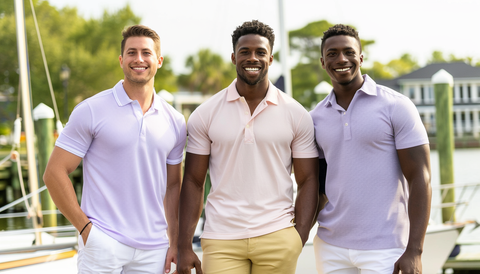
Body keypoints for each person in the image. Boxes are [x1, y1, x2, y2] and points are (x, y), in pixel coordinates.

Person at [177, 20, 319, 274]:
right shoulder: (205, 114)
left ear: (271, 58)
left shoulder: (296, 114)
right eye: (245, 52)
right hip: (222, 238)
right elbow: (193, 181)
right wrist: (184, 245)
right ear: (233, 57)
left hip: (278, 235)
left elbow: (308, 179)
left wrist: (299, 236)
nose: (252, 58)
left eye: (260, 52)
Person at [43, 25, 186, 274]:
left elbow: (173, 186)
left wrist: (175, 242)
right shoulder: (92, 110)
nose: (139, 59)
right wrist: (86, 230)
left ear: (159, 61)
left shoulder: (175, 120)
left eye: (146, 53)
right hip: (103, 242)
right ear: (121, 60)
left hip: (154, 249)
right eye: (131, 52)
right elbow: (54, 173)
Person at [310, 24, 432, 274]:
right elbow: (317, 186)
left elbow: (421, 178)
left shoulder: (396, 106)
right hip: (330, 246)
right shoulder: (315, 117)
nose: (341, 59)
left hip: (385, 247)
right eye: (332, 54)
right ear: (323, 62)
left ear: (361, 57)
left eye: (349, 52)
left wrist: (414, 250)